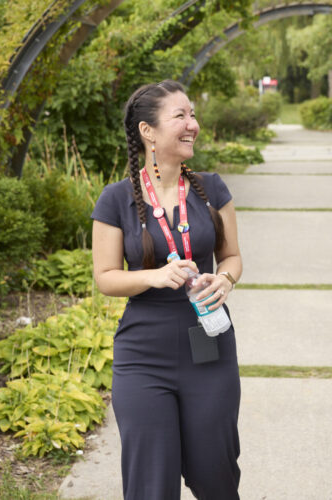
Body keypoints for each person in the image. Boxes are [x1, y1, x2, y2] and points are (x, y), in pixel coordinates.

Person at [91, 80, 243, 499]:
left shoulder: (212, 189)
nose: (192, 123)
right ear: (148, 132)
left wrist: (224, 279)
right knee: (151, 484)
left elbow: (232, 257)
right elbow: (105, 276)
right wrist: (153, 276)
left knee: (217, 476)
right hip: (144, 356)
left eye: (192, 114)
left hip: (210, 347)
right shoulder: (115, 199)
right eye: (181, 116)